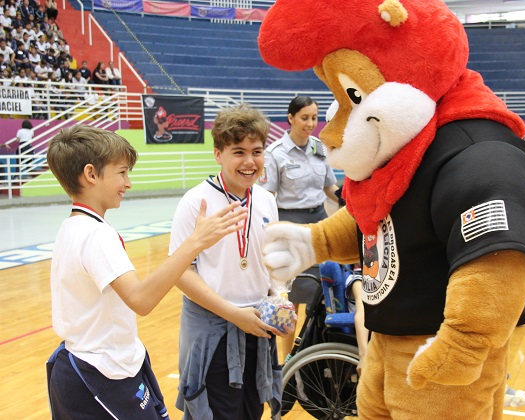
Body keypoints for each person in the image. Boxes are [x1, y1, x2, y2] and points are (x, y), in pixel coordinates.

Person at [45, 124, 248, 419]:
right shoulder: (95, 235)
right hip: (101, 373)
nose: (128, 183)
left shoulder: (72, 227)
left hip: (93, 365)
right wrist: (195, 242)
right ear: (91, 174)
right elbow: (141, 300)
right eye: (122, 172)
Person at [169, 103, 287, 419]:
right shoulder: (196, 202)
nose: (250, 162)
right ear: (218, 153)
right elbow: (180, 273)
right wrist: (235, 314)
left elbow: (271, 258)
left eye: (257, 151)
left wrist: (280, 296)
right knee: (214, 412)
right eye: (238, 152)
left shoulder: (266, 200)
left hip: (257, 323)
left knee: (251, 411)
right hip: (214, 327)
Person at [258, 95, 339, 358]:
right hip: (289, 227)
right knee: (288, 300)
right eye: (305, 117)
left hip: (318, 225)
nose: (310, 123)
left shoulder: (319, 148)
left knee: (322, 294)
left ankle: (311, 354)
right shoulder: (275, 154)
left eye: (314, 118)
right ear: (291, 118)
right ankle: (285, 361)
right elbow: (266, 197)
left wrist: (351, 202)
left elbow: (330, 188)